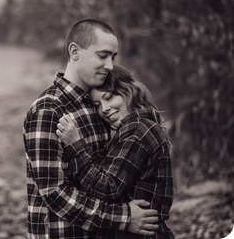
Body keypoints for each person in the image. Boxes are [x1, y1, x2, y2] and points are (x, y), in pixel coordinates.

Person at [23, 19, 159, 239]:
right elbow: (55, 193)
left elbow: (110, 175)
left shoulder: (99, 106)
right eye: (102, 55)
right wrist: (124, 218)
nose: (110, 66)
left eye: (113, 57)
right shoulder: (49, 109)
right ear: (75, 52)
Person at [56, 64, 174, 238]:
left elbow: (108, 188)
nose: (104, 109)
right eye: (97, 104)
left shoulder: (138, 130)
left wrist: (75, 144)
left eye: (109, 97)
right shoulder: (136, 128)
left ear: (129, 91)